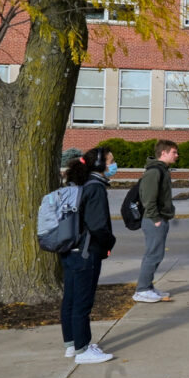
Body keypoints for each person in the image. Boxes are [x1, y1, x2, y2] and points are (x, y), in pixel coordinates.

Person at [60, 147, 118, 364]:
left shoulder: (78, 185)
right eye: (111, 160)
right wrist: (109, 243)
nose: (114, 165)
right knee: (83, 302)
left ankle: (72, 344)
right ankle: (83, 350)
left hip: (69, 249)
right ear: (100, 165)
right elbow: (98, 226)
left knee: (71, 299)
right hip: (86, 251)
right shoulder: (95, 189)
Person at [134, 139, 178, 303]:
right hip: (154, 220)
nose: (176, 155)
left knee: (154, 254)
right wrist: (156, 219)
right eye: (174, 152)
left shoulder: (162, 170)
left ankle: (148, 287)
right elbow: (148, 199)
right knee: (153, 255)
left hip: (158, 218)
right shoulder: (154, 172)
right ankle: (142, 290)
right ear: (163, 153)